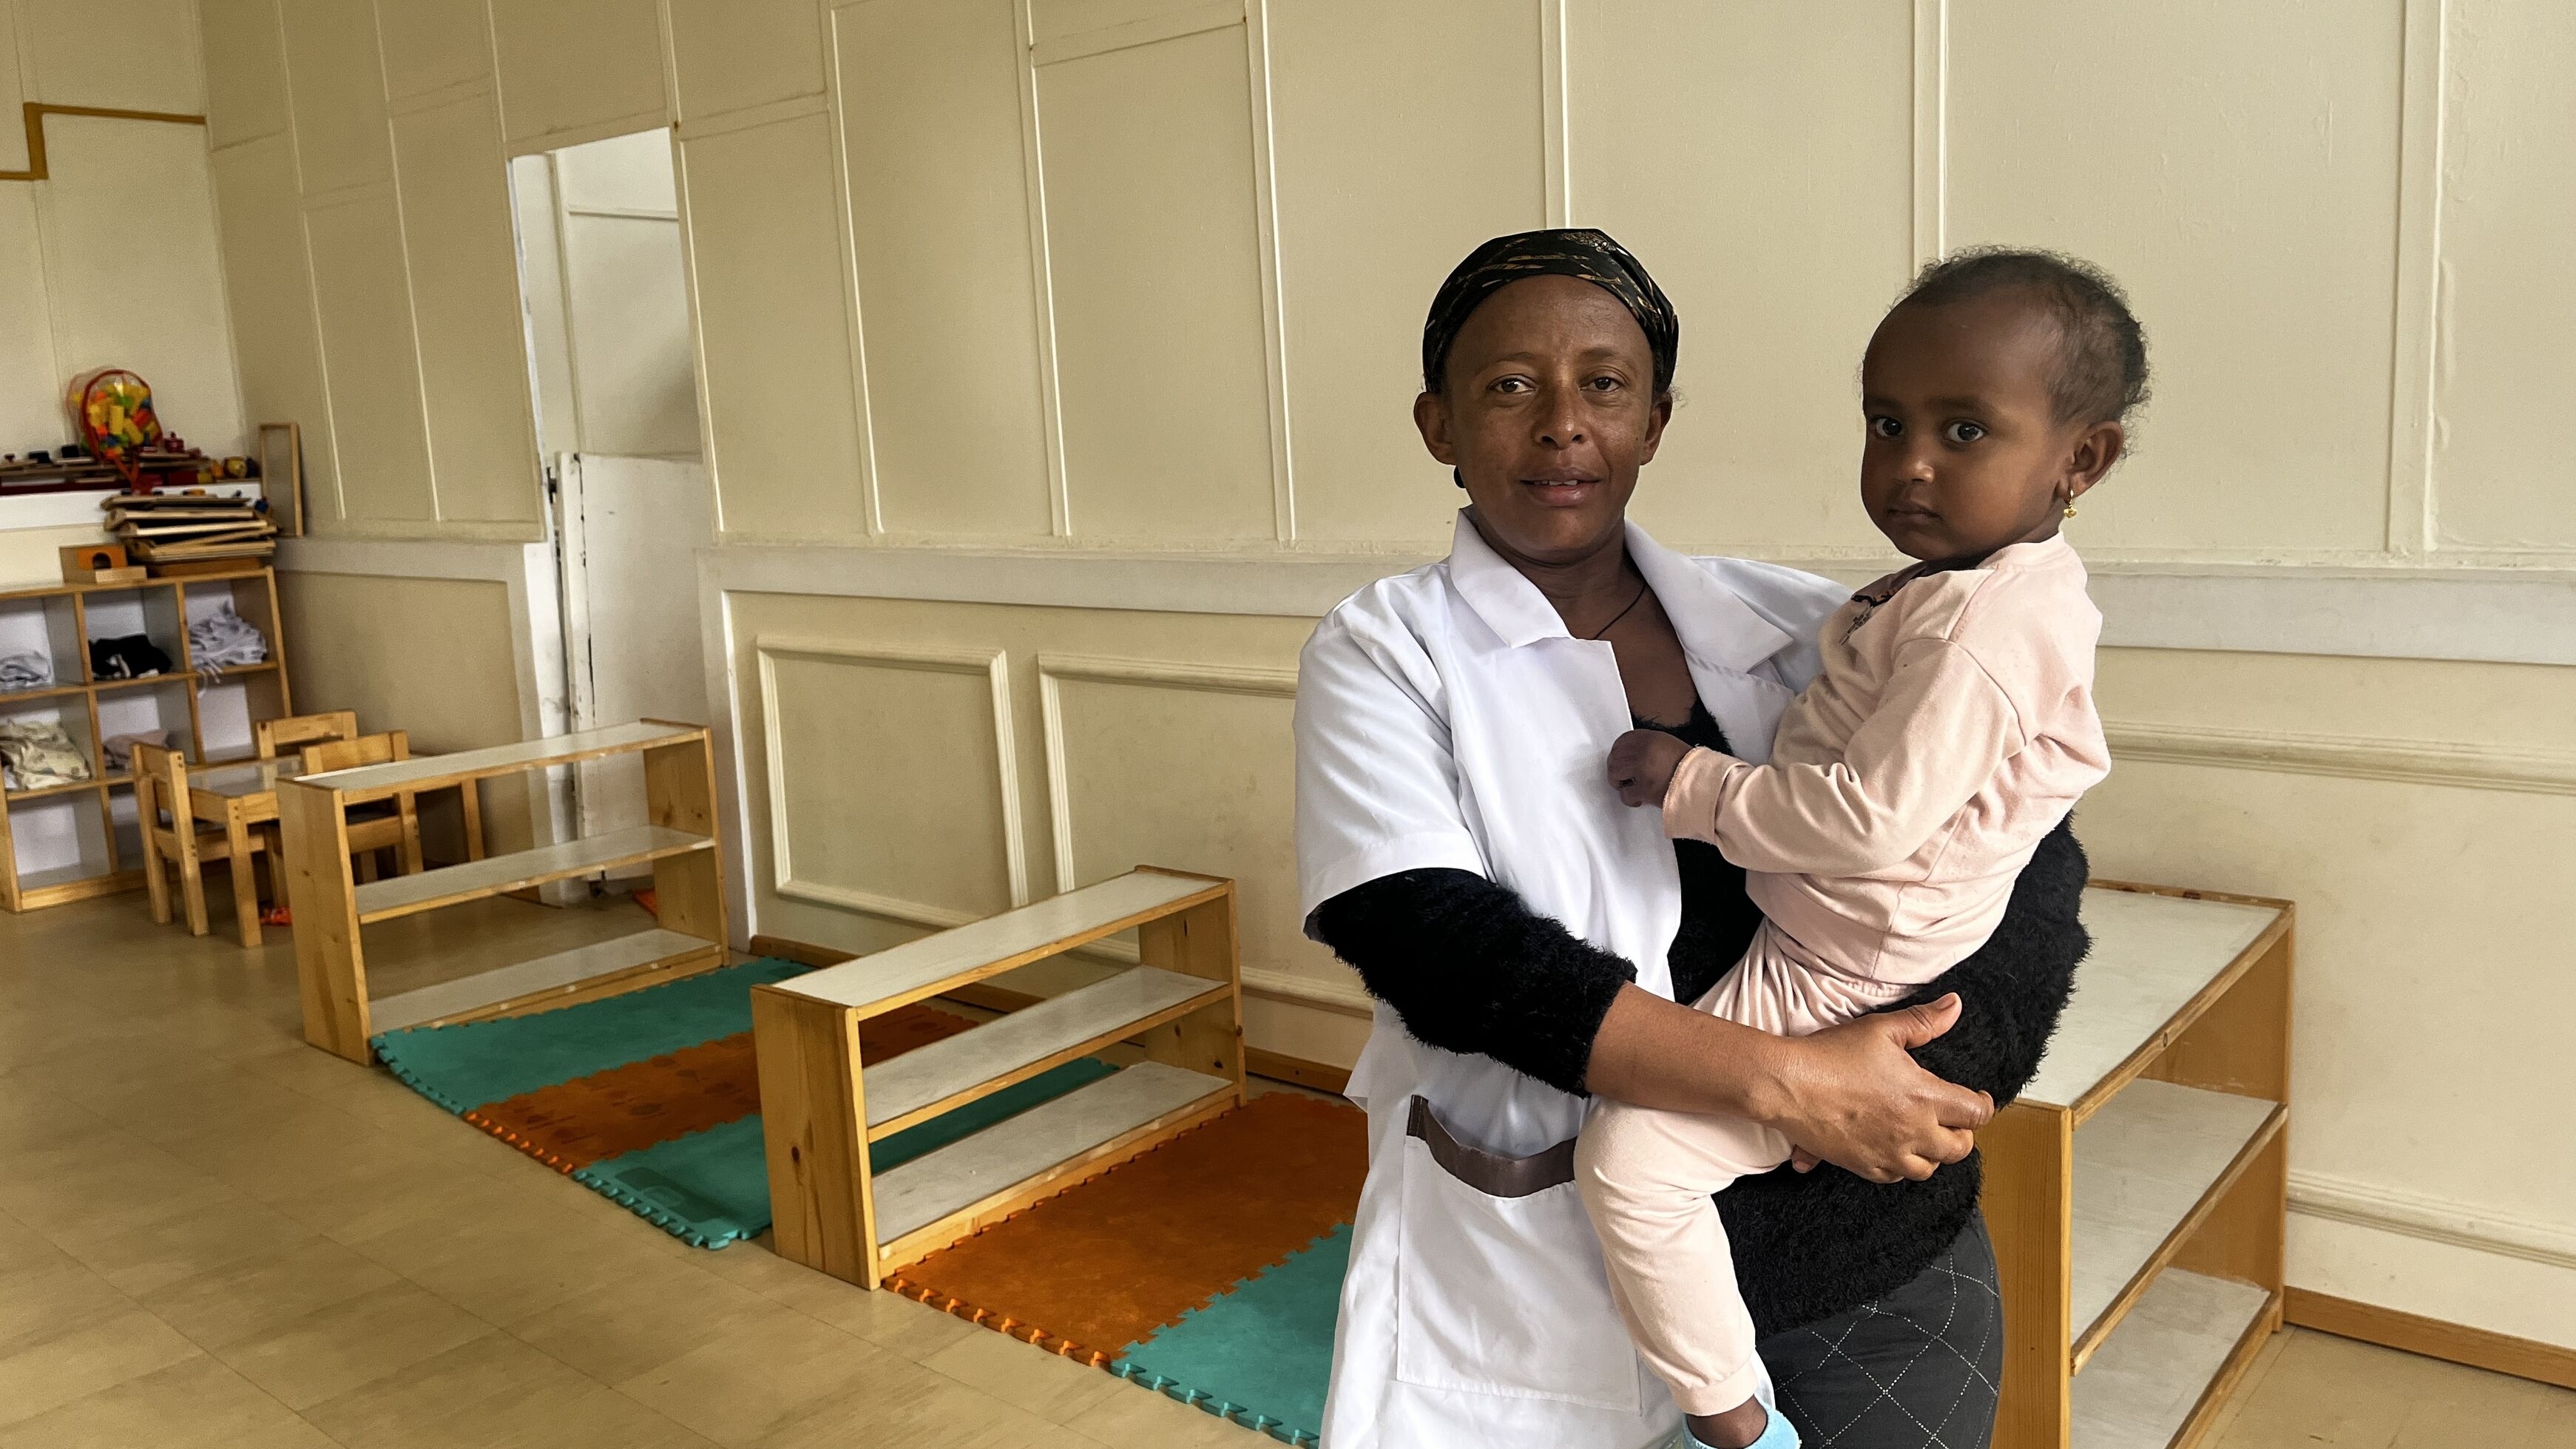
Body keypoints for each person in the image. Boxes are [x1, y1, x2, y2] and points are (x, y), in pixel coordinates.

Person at [1294, 228, 2094, 1449]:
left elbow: (2029, 865)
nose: (1563, 425)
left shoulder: (1812, 620)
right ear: (1437, 423)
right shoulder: (1383, 653)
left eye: (1605, 385)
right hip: (1547, 1274)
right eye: (1510, 386)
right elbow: (1436, 948)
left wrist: (1929, 1085)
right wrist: (1795, 1086)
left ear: (1656, 419)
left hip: (1858, 1255)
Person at [1574, 249, 2142, 1449]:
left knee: (1631, 1162)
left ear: (2080, 458)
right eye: (1888, 423)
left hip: (1847, 957)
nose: (1912, 464)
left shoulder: (1983, 624)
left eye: (1965, 430)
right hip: (1836, 939)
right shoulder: (1961, 594)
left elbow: (1870, 820)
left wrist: (1696, 787)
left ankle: (1734, 1425)